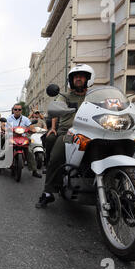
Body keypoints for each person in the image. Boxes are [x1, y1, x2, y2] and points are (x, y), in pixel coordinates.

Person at [36, 64, 95, 208]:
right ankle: (48, 192)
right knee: (56, 158)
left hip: (94, 132)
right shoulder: (64, 96)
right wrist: (53, 128)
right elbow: (57, 108)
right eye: (76, 76)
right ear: (71, 80)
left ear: (88, 78)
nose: (78, 79)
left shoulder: (94, 96)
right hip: (68, 132)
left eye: (81, 76)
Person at [0, 103, 41, 178]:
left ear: (21, 110)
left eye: (19, 109)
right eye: (15, 109)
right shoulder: (9, 118)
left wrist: (32, 130)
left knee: (29, 151)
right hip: (11, 136)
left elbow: (31, 127)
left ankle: (34, 170)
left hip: (23, 136)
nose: (17, 111)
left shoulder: (25, 119)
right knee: (4, 148)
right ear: (13, 110)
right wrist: (5, 129)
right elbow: (3, 125)